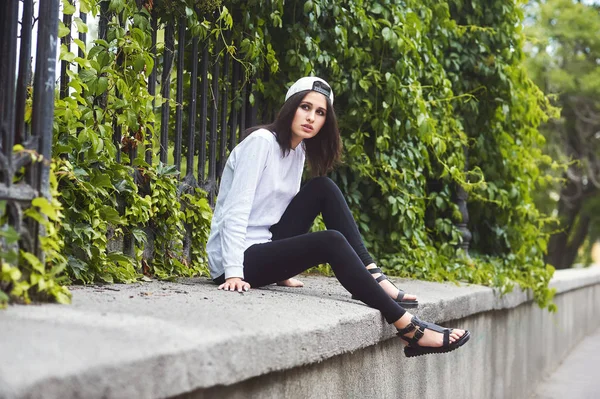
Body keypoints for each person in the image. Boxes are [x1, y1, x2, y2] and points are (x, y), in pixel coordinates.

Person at [206, 76, 470, 357]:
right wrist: (234, 272)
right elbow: (236, 211)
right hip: (235, 260)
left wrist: (282, 270)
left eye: (320, 113)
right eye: (305, 107)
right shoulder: (260, 142)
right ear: (290, 107)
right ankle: (408, 327)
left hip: (262, 247)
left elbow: (277, 216)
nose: (311, 118)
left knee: (323, 187)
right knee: (331, 241)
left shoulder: (298, 151)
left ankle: (373, 274)